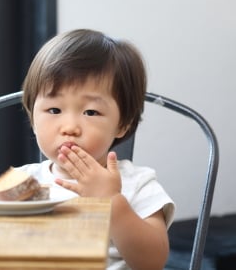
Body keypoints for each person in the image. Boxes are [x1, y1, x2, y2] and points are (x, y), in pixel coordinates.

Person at [19, 29, 175, 269]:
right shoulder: (25, 181)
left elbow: (152, 261)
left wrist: (112, 201)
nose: (70, 127)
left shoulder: (137, 183)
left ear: (123, 124)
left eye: (90, 112)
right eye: (54, 110)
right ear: (32, 118)